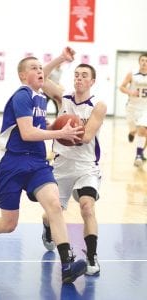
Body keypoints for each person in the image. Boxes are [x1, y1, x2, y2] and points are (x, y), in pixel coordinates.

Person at [0, 47, 87, 284]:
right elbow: (27, 132)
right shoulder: (22, 96)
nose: (41, 71)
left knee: (54, 205)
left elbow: (41, 79)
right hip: (11, 163)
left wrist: (61, 59)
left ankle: (67, 265)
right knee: (9, 224)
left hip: (37, 162)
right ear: (23, 75)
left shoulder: (40, 97)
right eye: (34, 68)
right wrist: (59, 131)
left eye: (42, 69)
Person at [41, 57, 107, 276]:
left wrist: (64, 131)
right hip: (61, 164)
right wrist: (61, 59)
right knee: (51, 213)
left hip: (86, 165)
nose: (79, 79)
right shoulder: (63, 97)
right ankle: (48, 229)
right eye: (76, 75)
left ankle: (91, 256)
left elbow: (87, 137)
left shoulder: (98, 106)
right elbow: (42, 77)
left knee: (87, 206)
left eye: (84, 76)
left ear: (92, 81)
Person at [119, 53, 147, 167]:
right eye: (143, 60)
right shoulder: (132, 74)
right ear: (139, 62)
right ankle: (131, 133)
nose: (145, 63)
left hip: (145, 108)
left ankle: (139, 155)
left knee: (143, 129)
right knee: (134, 130)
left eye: (146, 61)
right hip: (132, 107)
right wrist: (130, 92)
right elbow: (121, 87)